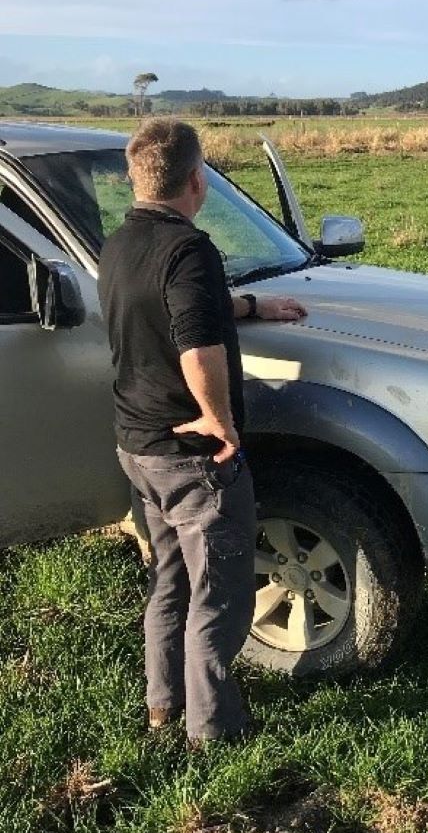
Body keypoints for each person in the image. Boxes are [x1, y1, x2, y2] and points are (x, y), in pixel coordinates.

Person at [98, 119, 307, 745]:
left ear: (136, 179)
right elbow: (195, 344)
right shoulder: (189, 250)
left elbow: (175, 305)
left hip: (136, 446)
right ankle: (215, 731)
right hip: (192, 454)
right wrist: (219, 420)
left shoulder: (118, 245)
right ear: (197, 180)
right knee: (218, 596)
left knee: (170, 579)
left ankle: (162, 706)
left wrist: (250, 306)